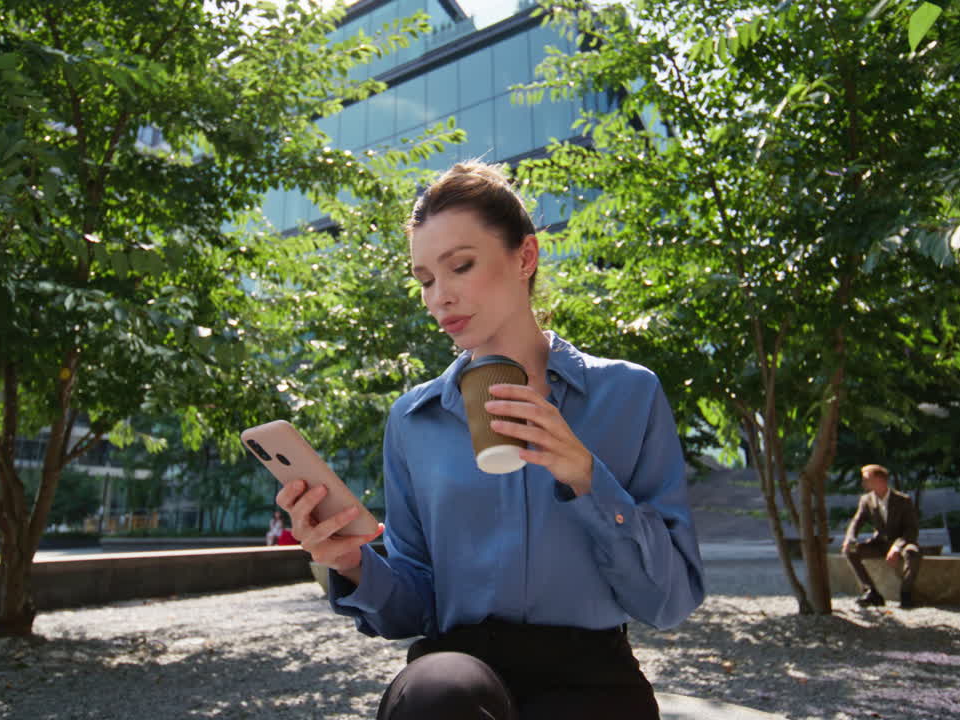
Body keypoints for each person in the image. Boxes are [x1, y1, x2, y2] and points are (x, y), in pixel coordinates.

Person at [276, 161, 705, 720]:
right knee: (440, 691)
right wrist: (352, 563)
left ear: (524, 257)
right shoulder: (414, 419)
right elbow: (415, 607)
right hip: (456, 676)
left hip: (590, 674)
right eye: (425, 279)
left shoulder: (629, 393)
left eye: (460, 267)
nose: (439, 297)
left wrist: (586, 476)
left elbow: (669, 601)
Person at [842, 464, 922, 609]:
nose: (863, 483)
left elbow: (911, 530)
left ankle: (905, 594)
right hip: (879, 543)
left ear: (879, 480)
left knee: (913, 553)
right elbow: (856, 522)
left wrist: (897, 547)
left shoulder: (903, 500)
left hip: (903, 543)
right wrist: (850, 538)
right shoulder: (866, 500)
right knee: (849, 550)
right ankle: (871, 592)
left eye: (866, 479)